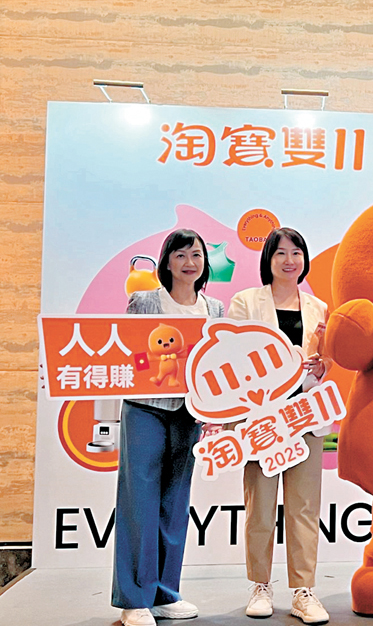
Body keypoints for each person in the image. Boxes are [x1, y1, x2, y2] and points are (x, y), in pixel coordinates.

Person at [112, 228, 225, 626]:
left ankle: (164, 593)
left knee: (175, 503)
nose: (189, 262)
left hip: (189, 413)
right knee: (139, 501)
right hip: (145, 408)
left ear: (205, 263)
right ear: (167, 262)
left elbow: (217, 365)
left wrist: (214, 413)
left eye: (196, 255)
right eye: (180, 255)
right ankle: (134, 599)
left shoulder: (215, 309)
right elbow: (127, 354)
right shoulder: (144, 301)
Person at [227, 228, 330, 624]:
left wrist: (321, 365)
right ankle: (260, 585)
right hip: (261, 417)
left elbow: (326, 361)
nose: (290, 260)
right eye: (281, 253)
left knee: (304, 504)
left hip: (304, 414)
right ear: (267, 259)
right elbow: (233, 356)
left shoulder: (319, 307)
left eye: (296, 252)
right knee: (260, 503)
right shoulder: (246, 302)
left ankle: (304, 591)